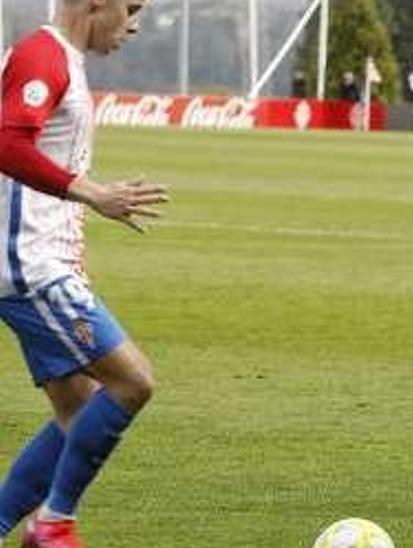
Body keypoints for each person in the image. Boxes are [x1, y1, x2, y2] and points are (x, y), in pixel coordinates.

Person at [0, 1, 172, 546]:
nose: (135, 23)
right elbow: (5, 142)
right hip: (28, 267)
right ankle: (54, 523)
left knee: (77, 412)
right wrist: (92, 192)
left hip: (43, 263)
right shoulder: (42, 56)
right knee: (132, 382)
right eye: (130, 7)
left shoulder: (63, 60)